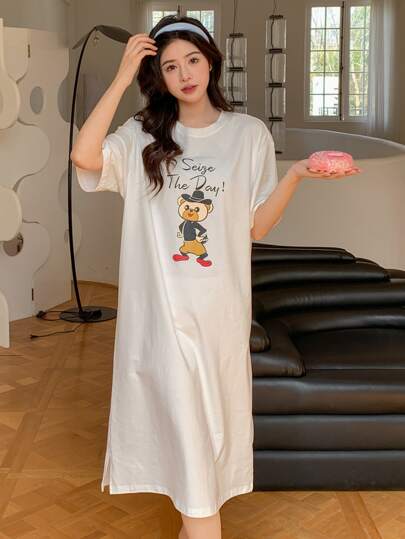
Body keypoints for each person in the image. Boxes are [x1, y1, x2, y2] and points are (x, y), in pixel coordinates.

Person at [70, 15, 362, 539]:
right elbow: (84, 155)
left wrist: (296, 175)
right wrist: (121, 77)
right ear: (158, 77)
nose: (184, 74)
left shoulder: (247, 134)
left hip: (220, 315)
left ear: (211, 63)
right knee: (185, 432)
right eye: (170, 67)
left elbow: (255, 226)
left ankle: (194, 528)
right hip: (160, 317)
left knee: (210, 434)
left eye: (193, 60)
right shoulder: (142, 135)